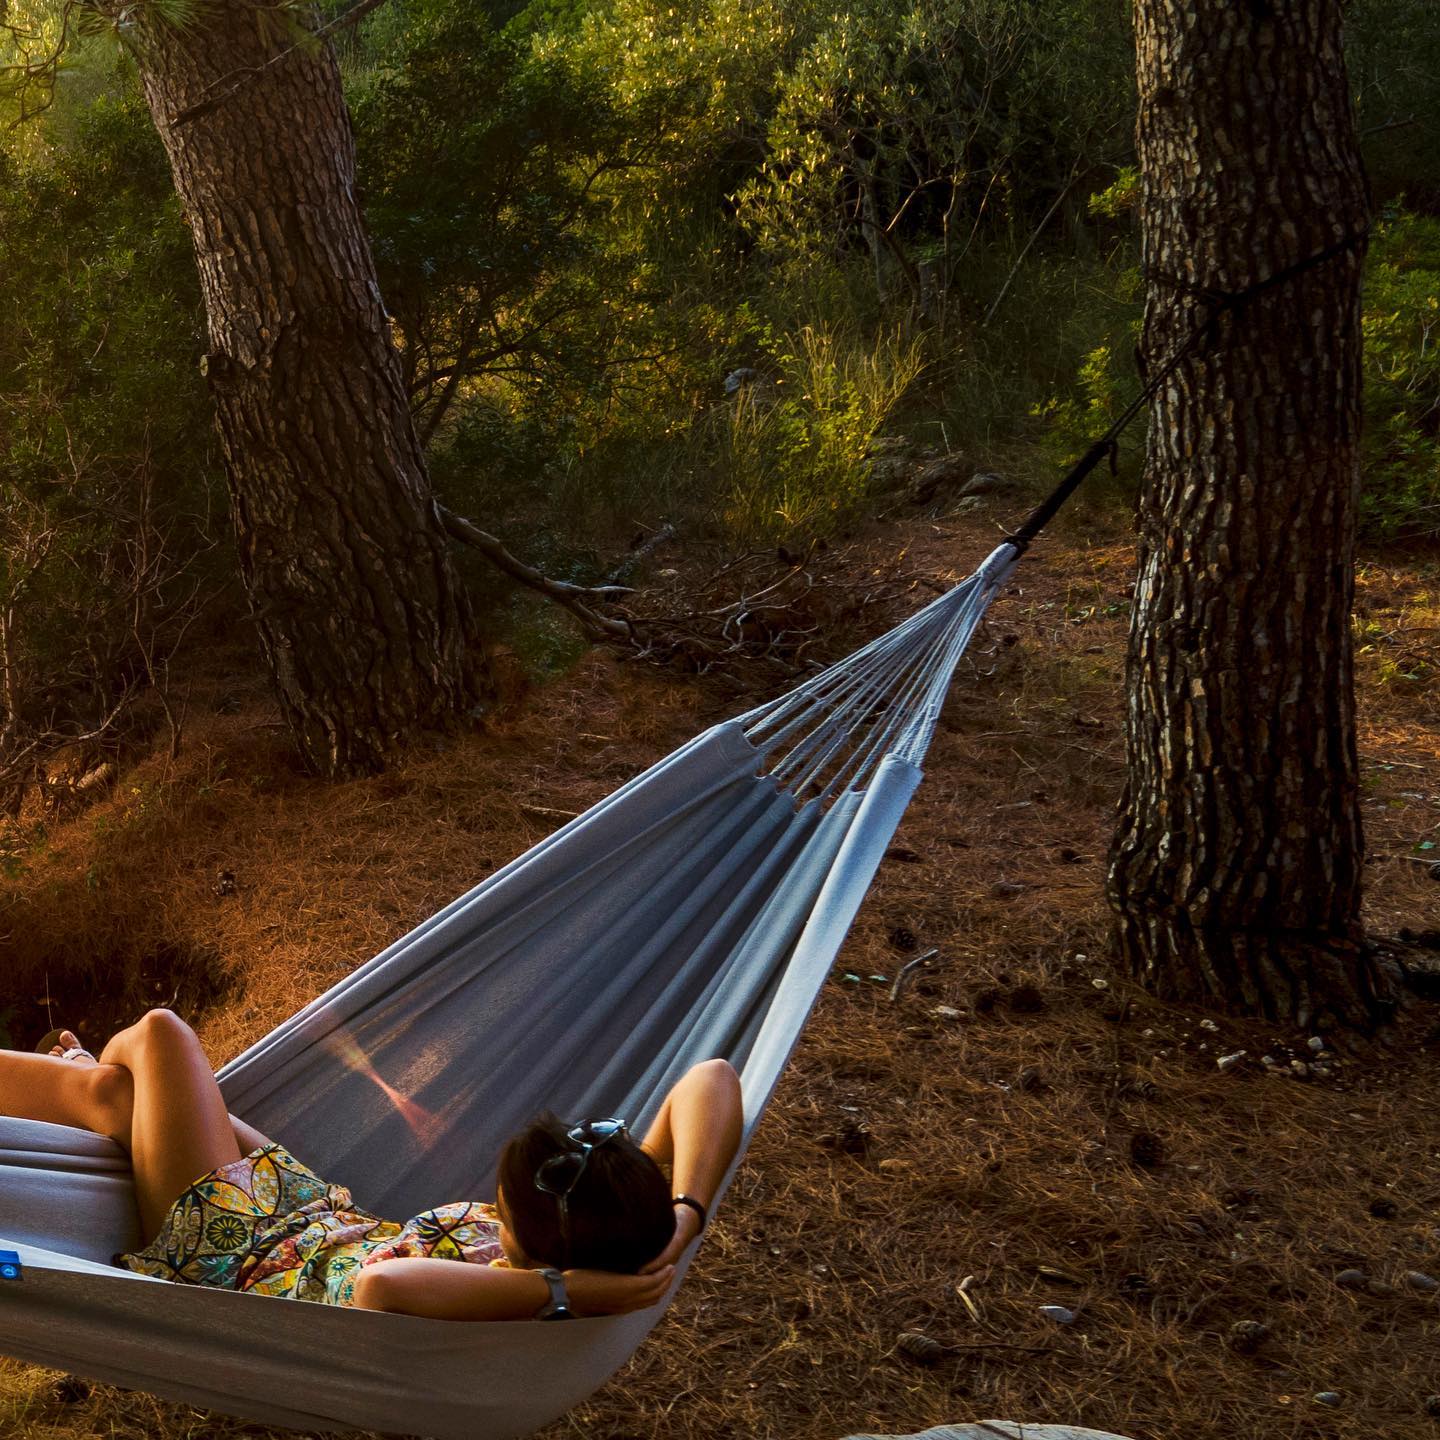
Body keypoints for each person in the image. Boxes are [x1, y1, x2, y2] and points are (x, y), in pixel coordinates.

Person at [2, 1010, 743, 1321]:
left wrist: (562, 1291)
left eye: (503, 1208)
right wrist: (686, 1215)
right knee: (117, 1098)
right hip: (305, 1212)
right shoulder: (615, 1219)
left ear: (538, 1249)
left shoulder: (512, 1287)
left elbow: (381, 1285)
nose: (493, 1202)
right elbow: (713, 1077)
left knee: (158, 1038)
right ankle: (78, 1078)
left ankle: (79, 1069)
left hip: (234, 1248)